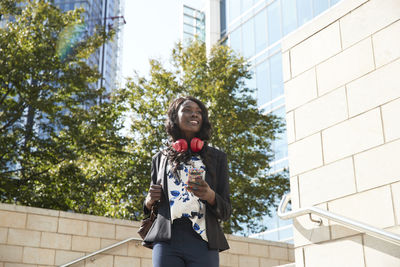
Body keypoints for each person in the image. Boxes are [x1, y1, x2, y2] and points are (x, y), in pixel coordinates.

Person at [143, 96, 231, 267]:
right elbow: (150, 209)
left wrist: (210, 195)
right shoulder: (159, 159)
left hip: (204, 241)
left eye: (199, 112)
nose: (194, 115)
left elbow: (226, 210)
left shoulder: (218, 158)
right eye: (188, 110)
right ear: (175, 117)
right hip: (167, 240)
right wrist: (148, 201)